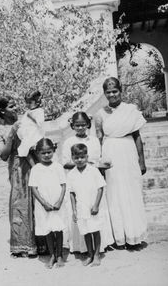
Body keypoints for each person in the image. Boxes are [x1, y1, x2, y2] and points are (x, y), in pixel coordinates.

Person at [94, 77, 147, 250]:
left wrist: (141, 161)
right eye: (108, 92)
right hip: (111, 156)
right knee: (115, 195)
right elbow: (99, 140)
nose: (112, 94)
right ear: (105, 94)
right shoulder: (101, 113)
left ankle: (135, 236)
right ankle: (120, 238)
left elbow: (137, 137)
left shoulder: (130, 110)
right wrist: (100, 163)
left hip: (128, 152)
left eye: (115, 91)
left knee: (131, 193)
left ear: (120, 90)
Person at [61, 111, 114, 253]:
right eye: (77, 125)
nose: (80, 128)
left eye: (83, 125)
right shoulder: (68, 142)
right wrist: (84, 164)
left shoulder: (94, 140)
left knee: (95, 212)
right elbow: (65, 163)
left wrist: (99, 164)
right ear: (72, 125)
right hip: (77, 180)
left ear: (88, 125)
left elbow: (97, 160)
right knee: (81, 212)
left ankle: (101, 245)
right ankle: (82, 248)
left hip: (92, 180)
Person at [0, 96, 37, 258]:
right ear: (3, 111)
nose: (16, 108)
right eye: (12, 106)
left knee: (37, 200)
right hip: (18, 169)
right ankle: (22, 245)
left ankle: (42, 243)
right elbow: (3, 154)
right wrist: (11, 133)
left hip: (34, 164)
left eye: (16, 104)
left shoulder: (26, 121)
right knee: (20, 203)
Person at [28, 138, 67, 268]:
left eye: (49, 152)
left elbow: (63, 185)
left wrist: (60, 200)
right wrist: (43, 203)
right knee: (48, 230)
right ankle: (52, 255)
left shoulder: (58, 166)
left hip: (57, 203)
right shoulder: (36, 169)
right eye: (43, 153)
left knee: (58, 229)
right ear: (37, 153)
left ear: (53, 151)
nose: (46, 155)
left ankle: (60, 255)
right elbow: (33, 188)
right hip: (43, 205)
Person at [68, 144, 106, 266]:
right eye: (76, 157)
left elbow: (100, 188)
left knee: (95, 230)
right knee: (86, 232)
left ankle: (96, 255)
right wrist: (74, 211)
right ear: (72, 158)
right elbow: (72, 193)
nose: (79, 160)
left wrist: (96, 205)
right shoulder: (71, 174)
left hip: (92, 207)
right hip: (81, 208)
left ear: (87, 157)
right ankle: (90, 253)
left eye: (82, 157)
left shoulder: (93, 170)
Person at [17, 90, 45, 159]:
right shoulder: (28, 112)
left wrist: (31, 118)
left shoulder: (39, 111)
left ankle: (40, 163)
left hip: (35, 133)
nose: (27, 105)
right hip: (28, 134)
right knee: (25, 150)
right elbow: (24, 122)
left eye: (30, 103)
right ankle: (33, 166)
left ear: (36, 102)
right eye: (26, 103)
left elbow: (40, 123)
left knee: (36, 150)